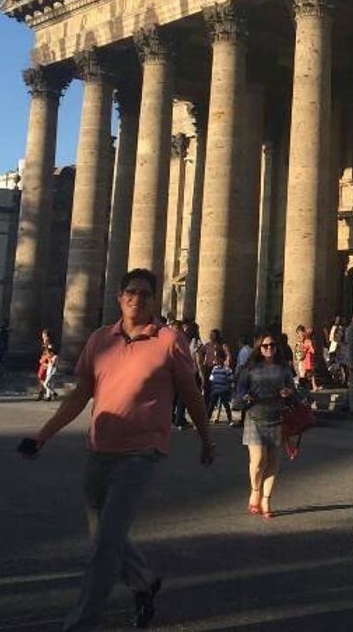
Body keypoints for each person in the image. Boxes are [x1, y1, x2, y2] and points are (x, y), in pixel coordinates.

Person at [24, 268, 215, 631]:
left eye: (145, 294)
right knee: (104, 535)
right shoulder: (100, 340)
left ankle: (81, 624)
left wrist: (207, 439)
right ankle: (144, 579)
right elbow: (80, 396)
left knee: (103, 547)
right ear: (119, 296)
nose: (137, 299)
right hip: (100, 449)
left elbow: (191, 395)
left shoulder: (170, 341)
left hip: (143, 451)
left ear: (155, 299)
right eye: (131, 292)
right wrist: (42, 435)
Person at [237, 333, 298, 518]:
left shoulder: (283, 368)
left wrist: (288, 392)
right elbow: (239, 390)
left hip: (276, 416)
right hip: (254, 417)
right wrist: (244, 396)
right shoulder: (250, 368)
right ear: (259, 348)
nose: (269, 348)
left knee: (273, 461)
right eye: (265, 346)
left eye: (272, 345)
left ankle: (266, 499)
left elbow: (293, 389)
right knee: (258, 461)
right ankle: (255, 490)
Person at [208, 352, 235, 426]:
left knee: (225, 406)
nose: (217, 360)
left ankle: (230, 419)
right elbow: (211, 379)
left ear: (223, 359)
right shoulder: (216, 369)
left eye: (219, 359)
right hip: (218, 390)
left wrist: (231, 389)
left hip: (221, 390)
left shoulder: (226, 369)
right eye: (217, 359)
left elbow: (231, 379)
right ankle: (208, 418)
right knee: (212, 405)